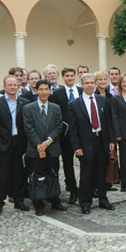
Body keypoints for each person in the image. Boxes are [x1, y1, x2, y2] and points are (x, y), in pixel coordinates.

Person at [66, 73, 115, 215]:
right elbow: (73, 129)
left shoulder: (102, 100)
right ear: (81, 85)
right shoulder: (74, 105)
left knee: (102, 172)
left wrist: (111, 140)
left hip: (102, 140)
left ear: (95, 84)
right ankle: (85, 202)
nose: (89, 85)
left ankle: (103, 198)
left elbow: (108, 122)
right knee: (86, 175)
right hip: (85, 143)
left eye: (91, 83)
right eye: (86, 83)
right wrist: (76, 147)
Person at [21, 80, 67, 216]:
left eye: (46, 89)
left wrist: (47, 142)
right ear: (36, 91)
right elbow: (28, 128)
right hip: (35, 149)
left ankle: (55, 201)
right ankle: (38, 203)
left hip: (52, 147)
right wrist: (39, 146)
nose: (44, 92)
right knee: (37, 177)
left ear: (50, 91)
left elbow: (59, 126)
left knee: (53, 174)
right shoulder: (28, 108)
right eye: (41, 89)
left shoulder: (55, 108)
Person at [0, 75, 29, 212]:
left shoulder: (24, 102)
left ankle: (19, 200)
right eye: (10, 85)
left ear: (18, 86)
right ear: (4, 86)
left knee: (19, 173)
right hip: (3, 142)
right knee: (1, 174)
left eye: (15, 85)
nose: (12, 87)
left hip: (20, 141)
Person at [49, 67, 81, 204]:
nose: (70, 78)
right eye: (67, 76)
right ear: (63, 77)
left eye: (72, 76)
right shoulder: (57, 94)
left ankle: (86, 188)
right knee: (68, 164)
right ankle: (73, 189)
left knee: (85, 162)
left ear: (75, 77)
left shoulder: (81, 91)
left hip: (81, 134)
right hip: (66, 135)